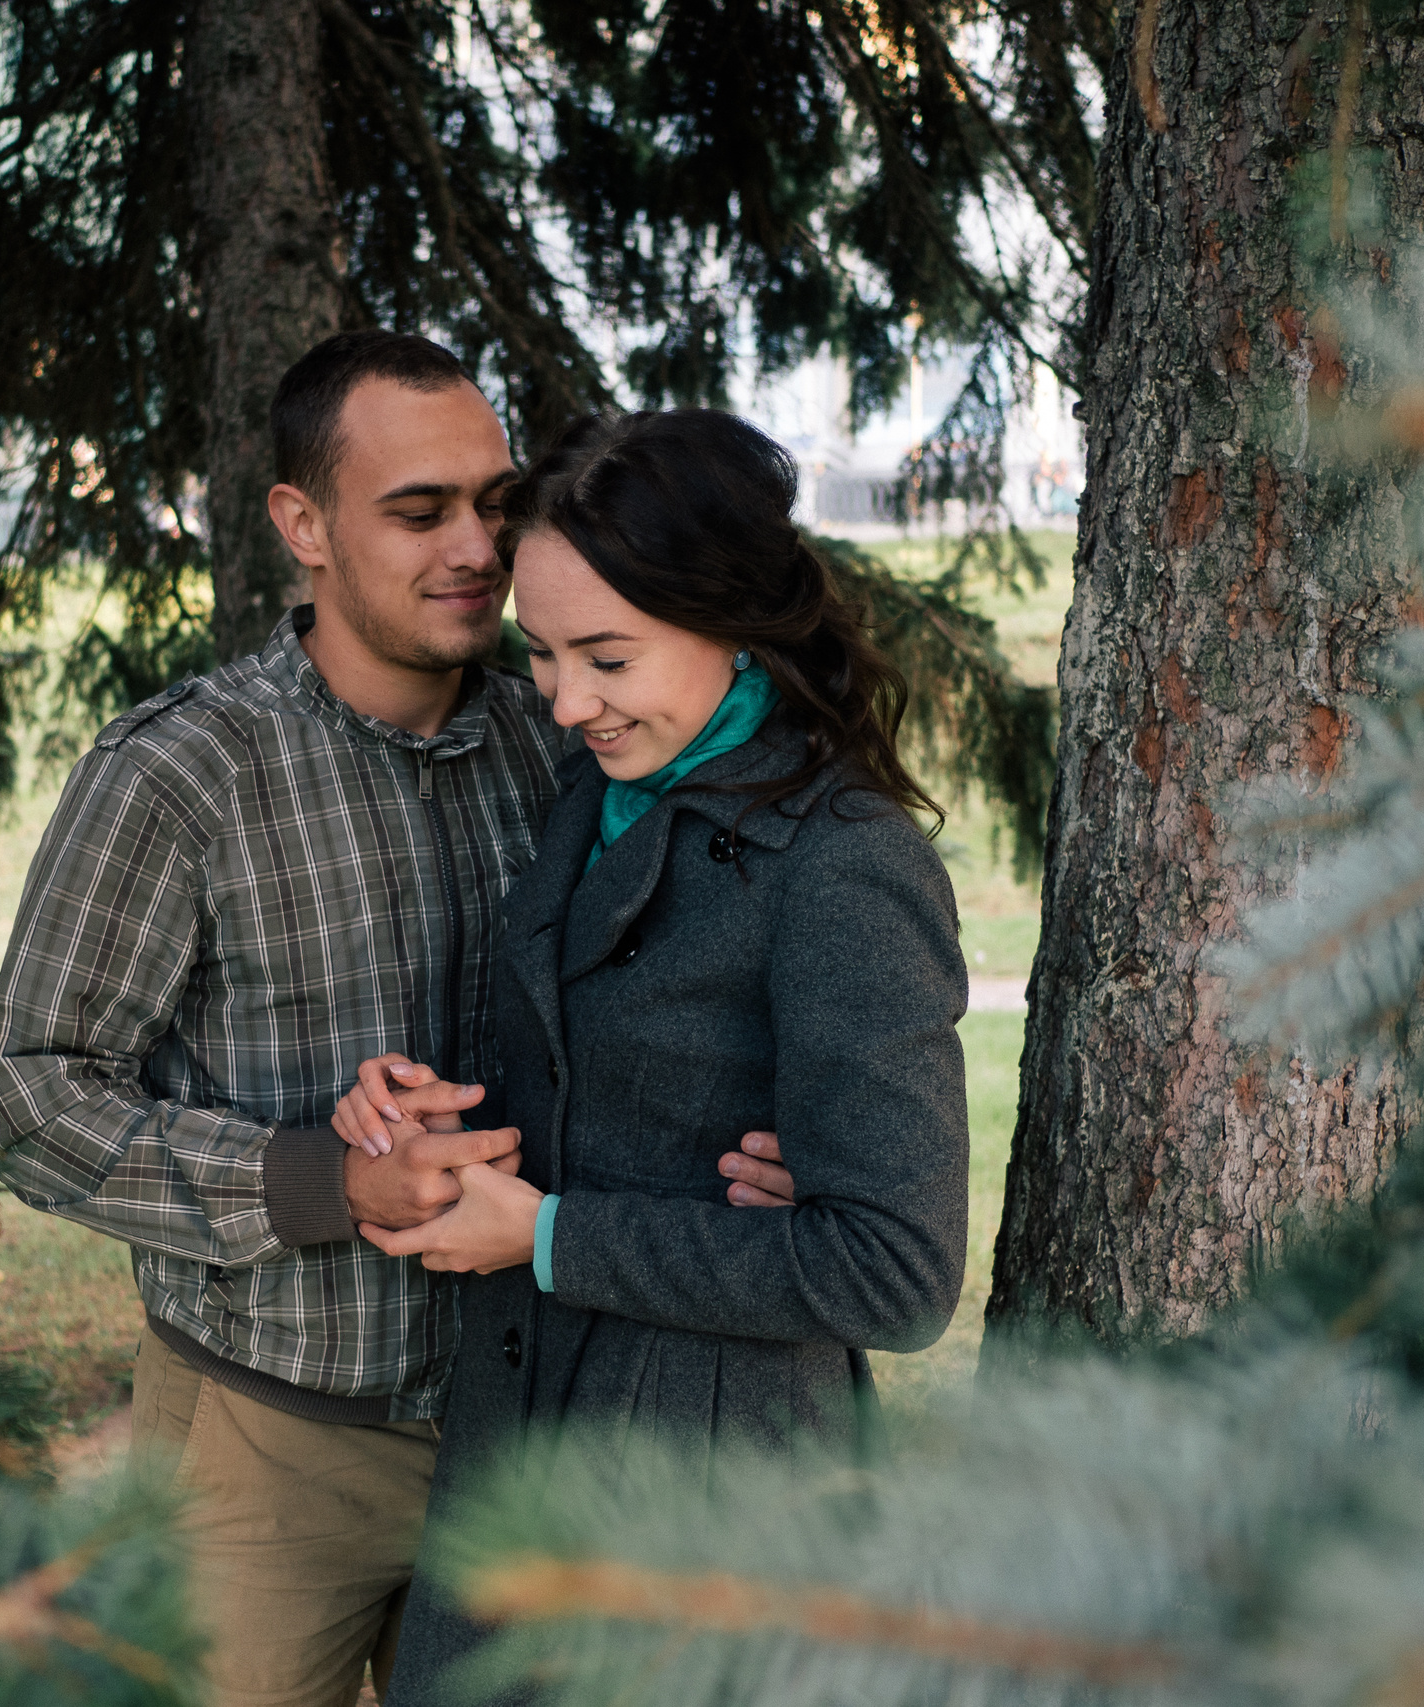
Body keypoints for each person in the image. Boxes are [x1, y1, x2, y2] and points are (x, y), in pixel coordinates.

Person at [0, 335, 798, 1707]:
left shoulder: (568, 738)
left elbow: (699, 982)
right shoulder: (180, 773)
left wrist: (777, 1151)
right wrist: (328, 1180)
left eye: (494, 503)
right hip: (265, 1448)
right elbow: (31, 1091)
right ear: (302, 524)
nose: (476, 548)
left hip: (533, 1430)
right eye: (420, 512)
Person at [327, 409, 972, 1702]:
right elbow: (597, 1073)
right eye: (543, 654)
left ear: (733, 621)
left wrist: (547, 1235)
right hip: (519, 1445)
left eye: (608, 657)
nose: (567, 703)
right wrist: (418, 1111)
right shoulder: (599, 791)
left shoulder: (844, 864)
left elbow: (896, 1274)